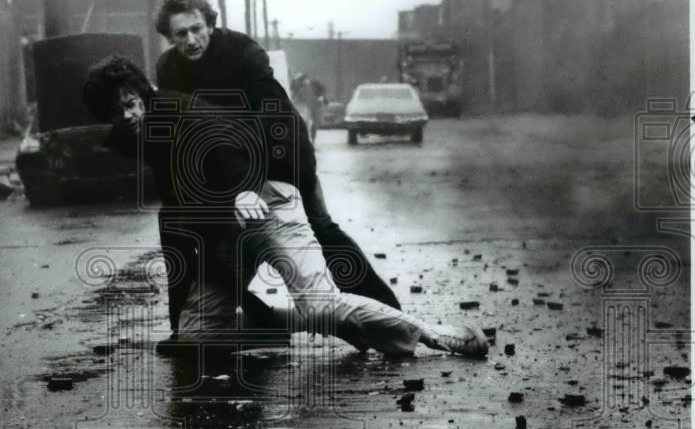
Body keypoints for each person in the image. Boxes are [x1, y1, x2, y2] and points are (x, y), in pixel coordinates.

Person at [82, 55, 488, 359]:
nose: (129, 114)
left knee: (321, 303)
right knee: (198, 338)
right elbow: (176, 229)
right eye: (118, 111)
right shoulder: (137, 138)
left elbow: (226, 142)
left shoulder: (179, 111)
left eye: (133, 102)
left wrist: (241, 191)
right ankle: (294, 324)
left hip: (264, 204)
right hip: (226, 227)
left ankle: (429, 333)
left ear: (144, 91)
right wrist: (177, 324)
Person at [153, 0, 404, 329]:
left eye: (197, 28)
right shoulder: (168, 69)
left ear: (210, 23)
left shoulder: (242, 51)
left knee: (323, 231)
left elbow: (271, 114)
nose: (192, 40)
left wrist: (243, 175)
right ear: (169, 37)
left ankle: (391, 315)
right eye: (181, 34)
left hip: (282, 152)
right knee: (213, 241)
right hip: (227, 166)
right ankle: (203, 329)